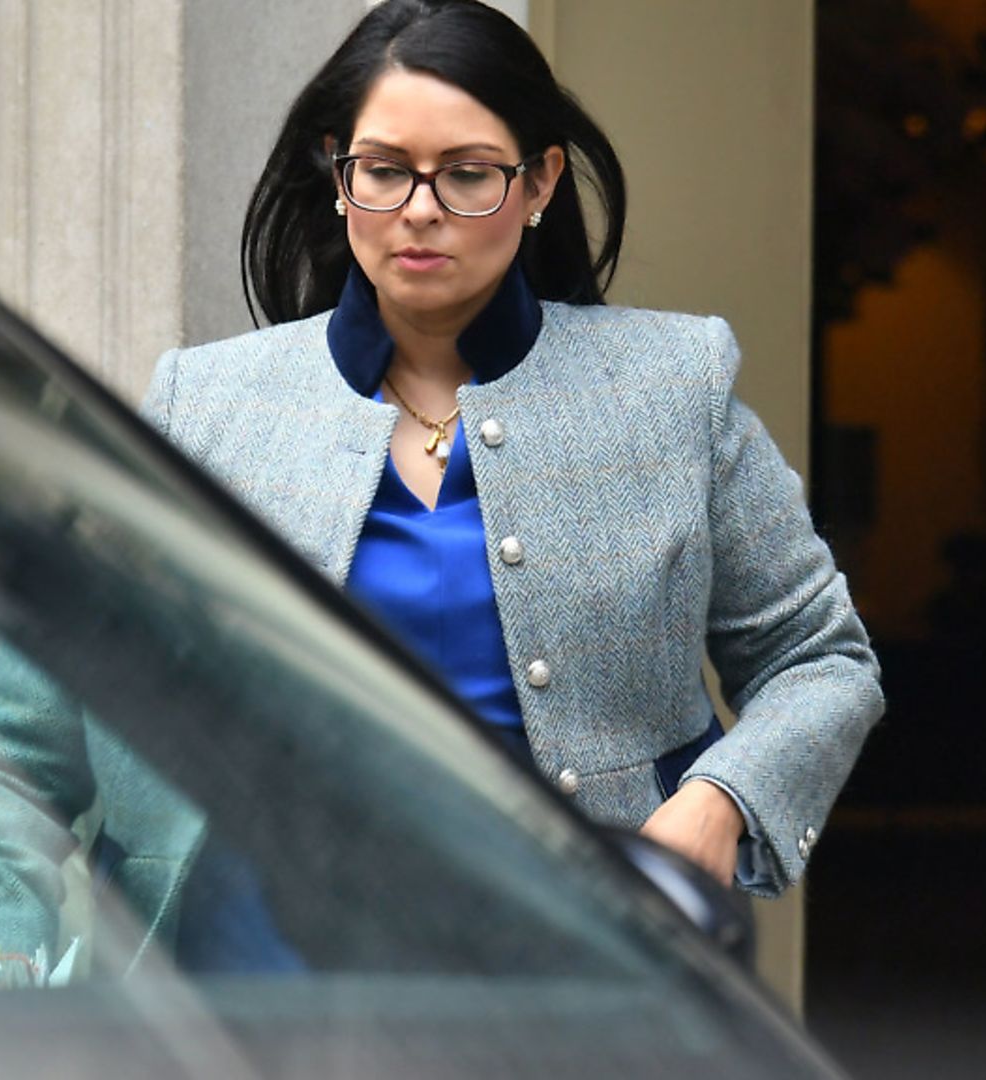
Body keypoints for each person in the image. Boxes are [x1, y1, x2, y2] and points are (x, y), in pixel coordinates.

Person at [140, 0, 883, 895]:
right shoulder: (208, 404)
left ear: (539, 184)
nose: (420, 211)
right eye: (382, 171)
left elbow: (820, 659)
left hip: (588, 960)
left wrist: (721, 796)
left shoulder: (671, 386)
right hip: (271, 971)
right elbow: (46, 696)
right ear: (340, 178)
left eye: (468, 175)